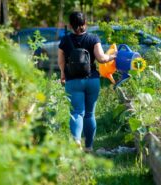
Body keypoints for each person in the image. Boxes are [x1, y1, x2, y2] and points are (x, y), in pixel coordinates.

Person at [58, 11, 117, 152]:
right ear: (85, 23)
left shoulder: (64, 40)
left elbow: (61, 61)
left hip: (73, 81)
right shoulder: (93, 38)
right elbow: (102, 58)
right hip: (91, 80)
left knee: (77, 112)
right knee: (90, 114)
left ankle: (77, 140)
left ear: (71, 25)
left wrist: (62, 74)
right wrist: (114, 56)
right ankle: (89, 147)